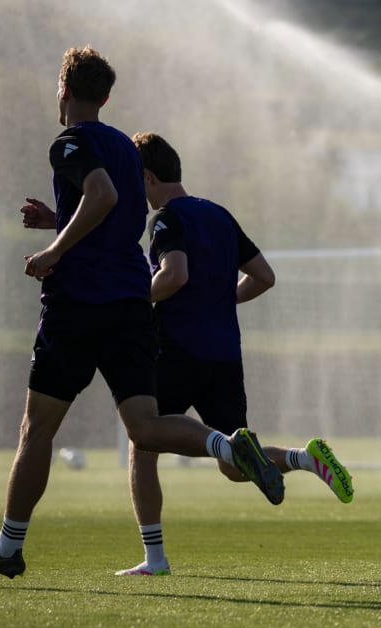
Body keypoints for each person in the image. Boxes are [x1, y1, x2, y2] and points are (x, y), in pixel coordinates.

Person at [0, 46, 281, 580]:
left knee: (36, 430)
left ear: (62, 91)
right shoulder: (129, 152)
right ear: (105, 96)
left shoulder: (70, 141)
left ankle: (9, 548)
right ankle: (228, 444)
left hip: (78, 305)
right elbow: (117, 216)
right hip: (131, 303)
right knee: (145, 428)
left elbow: (101, 195)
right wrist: (55, 221)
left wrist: (54, 252)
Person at [114, 132, 354, 577]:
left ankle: (155, 559)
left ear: (146, 177)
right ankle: (306, 457)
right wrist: (221, 301)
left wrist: (134, 301)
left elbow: (174, 275)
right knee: (236, 466)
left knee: (142, 440)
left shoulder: (166, 219)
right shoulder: (219, 215)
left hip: (176, 349)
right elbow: (264, 276)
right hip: (224, 354)